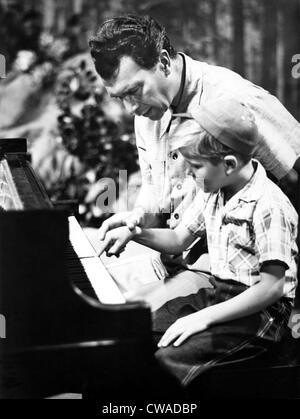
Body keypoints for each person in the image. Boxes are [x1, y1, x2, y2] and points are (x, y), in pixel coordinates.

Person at [89, 14, 300, 295]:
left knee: (124, 319)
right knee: (85, 279)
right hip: (169, 259)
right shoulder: (147, 112)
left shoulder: (235, 101)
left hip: (227, 279)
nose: (130, 108)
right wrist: (137, 218)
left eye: (135, 91)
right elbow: (155, 193)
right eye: (119, 97)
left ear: (163, 62)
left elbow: (295, 182)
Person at [98, 96, 298, 387]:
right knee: (138, 331)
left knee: (169, 360)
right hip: (221, 294)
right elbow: (179, 239)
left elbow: (272, 287)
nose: (189, 174)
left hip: (260, 314)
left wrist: (204, 318)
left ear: (228, 164)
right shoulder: (214, 190)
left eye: (194, 166)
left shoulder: (270, 206)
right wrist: (135, 232)